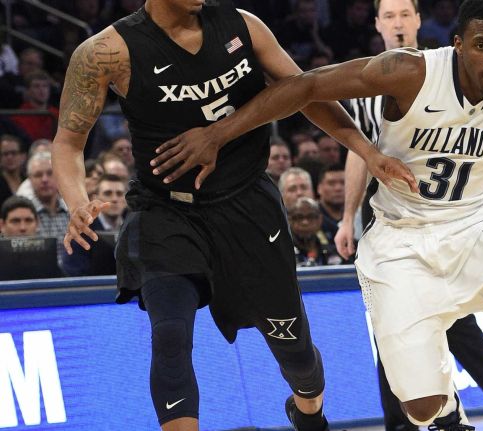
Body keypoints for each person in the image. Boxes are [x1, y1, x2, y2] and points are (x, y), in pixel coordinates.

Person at [151, 1, 483, 430]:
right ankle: (448, 410)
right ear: (458, 44)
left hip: (481, 226)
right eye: (482, 44)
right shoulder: (408, 72)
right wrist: (218, 133)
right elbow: (306, 87)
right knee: (419, 408)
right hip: (400, 239)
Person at [50, 1, 415, 430]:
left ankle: (309, 414)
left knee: (296, 354)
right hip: (166, 211)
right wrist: (77, 201)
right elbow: (68, 142)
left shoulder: (243, 25)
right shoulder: (106, 52)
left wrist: (368, 152)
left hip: (248, 205)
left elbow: (306, 90)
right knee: (170, 336)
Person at [342, 1, 483, 430]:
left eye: (405, 14)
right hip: (388, 214)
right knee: (390, 321)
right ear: (377, 24)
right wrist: (347, 217)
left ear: (418, 20)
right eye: (390, 16)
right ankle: (403, 422)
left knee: (456, 316)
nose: (398, 23)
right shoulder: (366, 78)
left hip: (445, 208)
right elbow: (357, 150)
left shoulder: (444, 70)